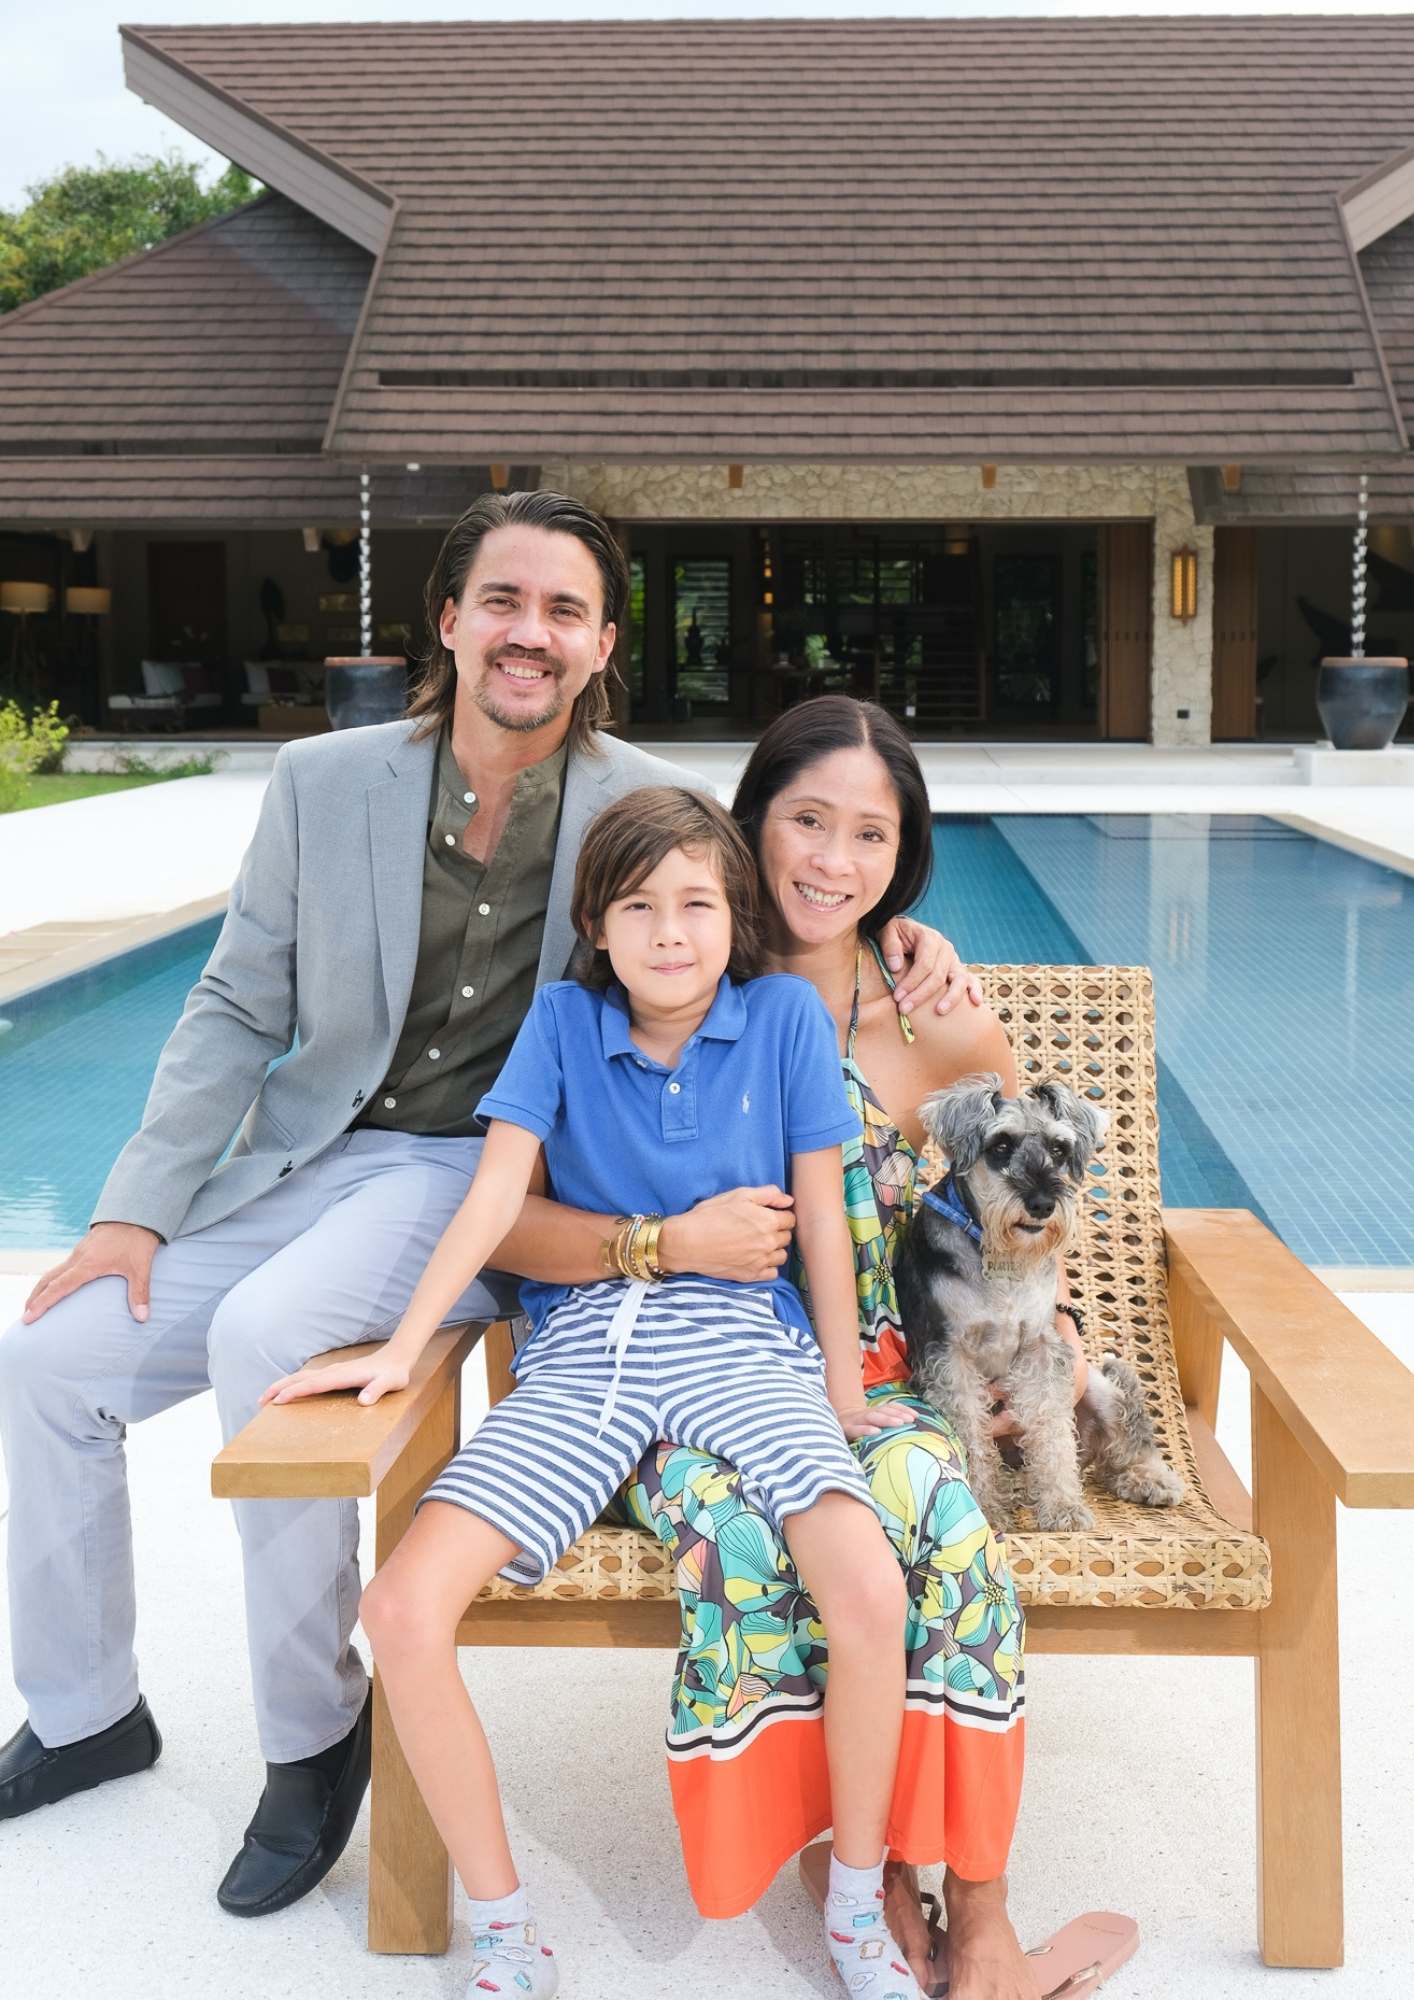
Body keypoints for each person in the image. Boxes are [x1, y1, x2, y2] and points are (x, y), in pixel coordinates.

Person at [0, 492, 968, 1914]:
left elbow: (770, 897)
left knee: (264, 1335)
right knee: (44, 1358)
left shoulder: (643, 795)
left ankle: (310, 1737)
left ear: (603, 644)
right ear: (448, 620)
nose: (531, 632)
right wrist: (135, 1211)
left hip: (476, 1172)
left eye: (565, 610)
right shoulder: (322, 783)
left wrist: (908, 934)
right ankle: (88, 1711)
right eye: (503, 600)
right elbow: (235, 1003)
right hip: (306, 1155)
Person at [264, 784, 935, 2000]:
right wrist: (404, 1344)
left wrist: (842, 1388)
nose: (669, 931)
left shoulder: (783, 1016)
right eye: (638, 906)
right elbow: (494, 1196)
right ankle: (507, 1931)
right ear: (597, 921)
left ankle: (853, 1909)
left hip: (742, 1340)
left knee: (869, 1589)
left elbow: (822, 1216)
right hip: (588, 1350)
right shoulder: (563, 1022)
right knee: (402, 1608)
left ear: (734, 914)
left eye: (695, 903)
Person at [490, 697, 1087, 2000]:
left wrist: (1052, 1352)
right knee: (752, 1539)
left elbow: (1013, 1226)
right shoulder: (673, 978)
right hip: (688, 1375)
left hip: (879, 1383)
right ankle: (849, 1862)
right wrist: (662, 1243)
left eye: (871, 834)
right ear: (747, 820)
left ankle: (980, 1899)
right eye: (806, 820)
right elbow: (509, 1222)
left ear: (905, 857)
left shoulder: (944, 1024)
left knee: (947, 1526)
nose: (832, 860)